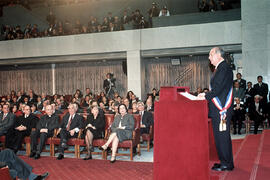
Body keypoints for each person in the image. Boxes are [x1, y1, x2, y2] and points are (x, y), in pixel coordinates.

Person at [198, 47, 234, 171]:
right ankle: (224, 161)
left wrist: (205, 95)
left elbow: (218, 89)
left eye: (211, 55)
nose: (209, 58)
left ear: (219, 55)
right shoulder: (220, 68)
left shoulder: (224, 68)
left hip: (221, 109)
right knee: (220, 136)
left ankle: (226, 163)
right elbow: (218, 89)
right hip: (218, 109)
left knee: (222, 136)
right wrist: (207, 94)